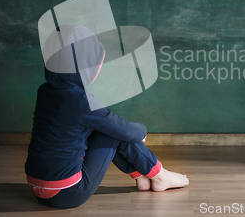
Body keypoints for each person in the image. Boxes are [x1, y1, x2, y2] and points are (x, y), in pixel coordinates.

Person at [25, 24, 189, 209]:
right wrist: (141, 131)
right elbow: (120, 129)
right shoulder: (80, 100)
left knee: (106, 129)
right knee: (113, 132)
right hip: (67, 193)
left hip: (36, 186)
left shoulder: (45, 91)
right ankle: (160, 176)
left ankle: (142, 177)